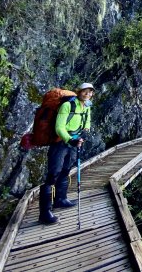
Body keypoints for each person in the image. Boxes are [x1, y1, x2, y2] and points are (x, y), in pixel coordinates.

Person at [39, 83, 94, 224]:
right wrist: (70, 140)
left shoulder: (87, 106)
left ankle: (60, 199)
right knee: (53, 173)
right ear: (79, 92)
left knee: (66, 170)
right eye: (85, 92)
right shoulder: (68, 106)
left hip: (75, 141)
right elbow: (59, 127)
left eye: (90, 92)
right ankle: (45, 213)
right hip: (60, 142)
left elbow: (87, 121)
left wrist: (84, 132)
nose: (87, 94)